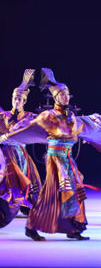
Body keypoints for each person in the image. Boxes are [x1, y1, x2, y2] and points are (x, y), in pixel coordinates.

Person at [2, 68, 101, 241]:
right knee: (57, 192)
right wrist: (6, 137)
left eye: (68, 94)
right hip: (55, 160)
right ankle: (32, 226)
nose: (66, 97)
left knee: (76, 190)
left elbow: (92, 128)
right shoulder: (48, 116)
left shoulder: (72, 118)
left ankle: (73, 228)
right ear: (55, 97)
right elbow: (27, 129)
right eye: (62, 95)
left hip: (68, 160)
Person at [0, 69, 42, 226]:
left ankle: (21, 204)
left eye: (19, 99)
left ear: (24, 101)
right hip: (5, 154)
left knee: (25, 180)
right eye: (14, 98)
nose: (15, 101)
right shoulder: (3, 116)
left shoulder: (30, 117)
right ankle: (7, 204)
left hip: (21, 154)